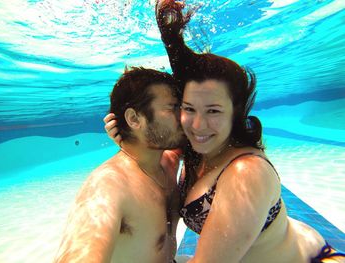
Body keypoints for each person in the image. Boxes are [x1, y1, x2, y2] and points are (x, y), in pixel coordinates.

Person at [105, 1, 345, 262]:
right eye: (188, 108)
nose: (197, 125)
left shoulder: (246, 174)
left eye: (213, 111)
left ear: (236, 113)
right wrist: (130, 138)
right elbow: (155, 157)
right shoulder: (197, 146)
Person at [54, 67, 186, 263]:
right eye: (173, 107)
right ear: (134, 119)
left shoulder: (168, 161)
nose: (184, 116)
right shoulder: (107, 186)